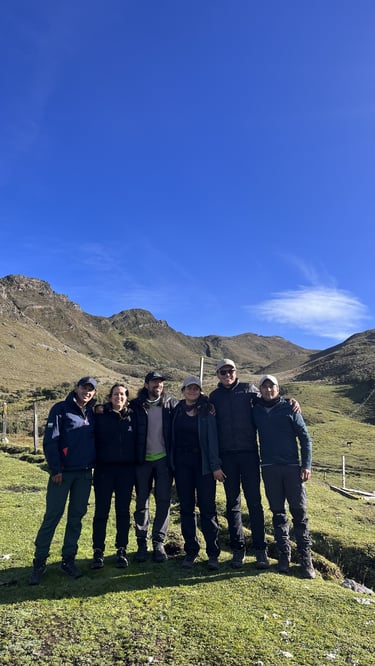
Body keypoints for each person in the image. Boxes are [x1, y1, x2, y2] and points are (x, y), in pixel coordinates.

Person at [28, 377, 97, 585]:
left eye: (91, 389)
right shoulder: (60, 409)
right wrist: (55, 468)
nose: (87, 392)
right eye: (84, 388)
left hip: (84, 474)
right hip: (63, 473)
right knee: (53, 515)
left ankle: (68, 560)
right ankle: (39, 561)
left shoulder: (93, 413)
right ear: (76, 388)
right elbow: (51, 441)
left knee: (76, 517)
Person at [252, 374, 316, 579]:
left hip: (291, 468)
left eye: (272, 387)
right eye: (265, 387)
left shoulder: (290, 408)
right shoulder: (256, 410)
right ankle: (284, 556)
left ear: (278, 389)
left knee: (299, 513)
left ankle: (306, 560)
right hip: (269, 468)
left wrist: (306, 465)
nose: (269, 390)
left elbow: (305, 439)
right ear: (260, 390)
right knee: (278, 513)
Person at [209, 360, 269, 570]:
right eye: (223, 372)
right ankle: (238, 549)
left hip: (250, 455)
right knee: (232, 504)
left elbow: (269, 400)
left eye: (230, 371)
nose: (227, 375)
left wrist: (290, 400)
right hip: (227, 458)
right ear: (217, 374)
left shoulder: (249, 390)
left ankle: (261, 551)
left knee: (254, 503)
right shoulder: (214, 398)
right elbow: (211, 430)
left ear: (236, 372)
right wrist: (216, 462)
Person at [170, 376, 225, 570]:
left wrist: (215, 465)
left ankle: (213, 553)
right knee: (186, 508)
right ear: (183, 390)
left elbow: (213, 440)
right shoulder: (176, 410)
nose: (192, 391)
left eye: (196, 388)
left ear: (200, 391)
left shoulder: (206, 411)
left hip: (204, 467)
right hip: (182, 466)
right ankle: (191, 551)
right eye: (189, 388)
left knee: (208, 509)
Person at [91, 383, 143, 570]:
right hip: (104, 470)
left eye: (122, 394)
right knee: (101, 512)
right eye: (115, 394)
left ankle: (121, 549)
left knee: (123, 512)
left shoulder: (133, 416)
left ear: (127, 397)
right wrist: (99, 407)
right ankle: (98, 551)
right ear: (110, 396)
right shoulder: (101, 415)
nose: (118, 397)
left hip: (126, 471)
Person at [130, 371, 178, 563]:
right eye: (154, 382)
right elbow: (116, 410)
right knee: (142, 502)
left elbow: (192, 406)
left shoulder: (171, 405)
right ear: (146, 384)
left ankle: (159, 542)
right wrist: (101, 408)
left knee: (164, 501)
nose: (157, 385)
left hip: (164, 461)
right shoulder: (135, 406)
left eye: (160, 383)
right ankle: (142, 542)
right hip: (142, 461)